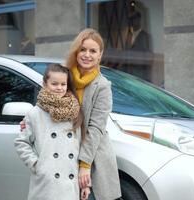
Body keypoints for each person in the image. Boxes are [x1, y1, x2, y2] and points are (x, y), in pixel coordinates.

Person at [14, 64, 90, 200]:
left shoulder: (75, 112)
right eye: (54, 84)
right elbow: (21, 142)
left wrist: (85, 185)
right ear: (45, 84)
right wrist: (37, 164)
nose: (59, 88)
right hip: (46, 184)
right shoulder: (35, 113)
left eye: (63, 84)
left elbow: (81, 146)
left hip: (70, 184)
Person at [66, 28, 121, 200]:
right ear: (76, 52)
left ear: (100, 55)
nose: (87, 55)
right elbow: (47, 105)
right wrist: (30, 120)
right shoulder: (64, 78)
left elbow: (96, 128)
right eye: (83, 49)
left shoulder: (103, 86)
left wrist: (84, 164)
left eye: (92, 51)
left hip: (91, 157)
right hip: (64, 151)